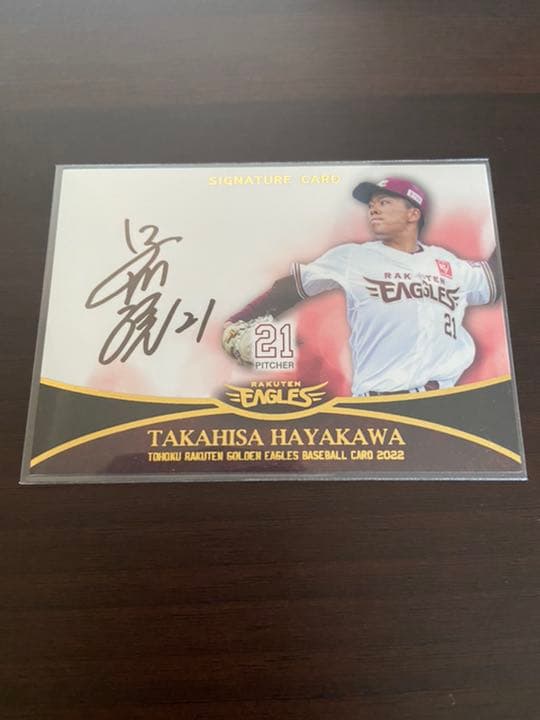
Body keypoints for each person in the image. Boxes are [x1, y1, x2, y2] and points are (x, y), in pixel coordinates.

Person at [222, 177, 500, 396]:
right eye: (371, 205)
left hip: (445, 400)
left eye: (384, 202)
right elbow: (292, 287)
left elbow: (494, 281)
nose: (373, 208)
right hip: (379, 402)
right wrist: (238, 320)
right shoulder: (354, 258)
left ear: (413, 213)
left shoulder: (448, 263)